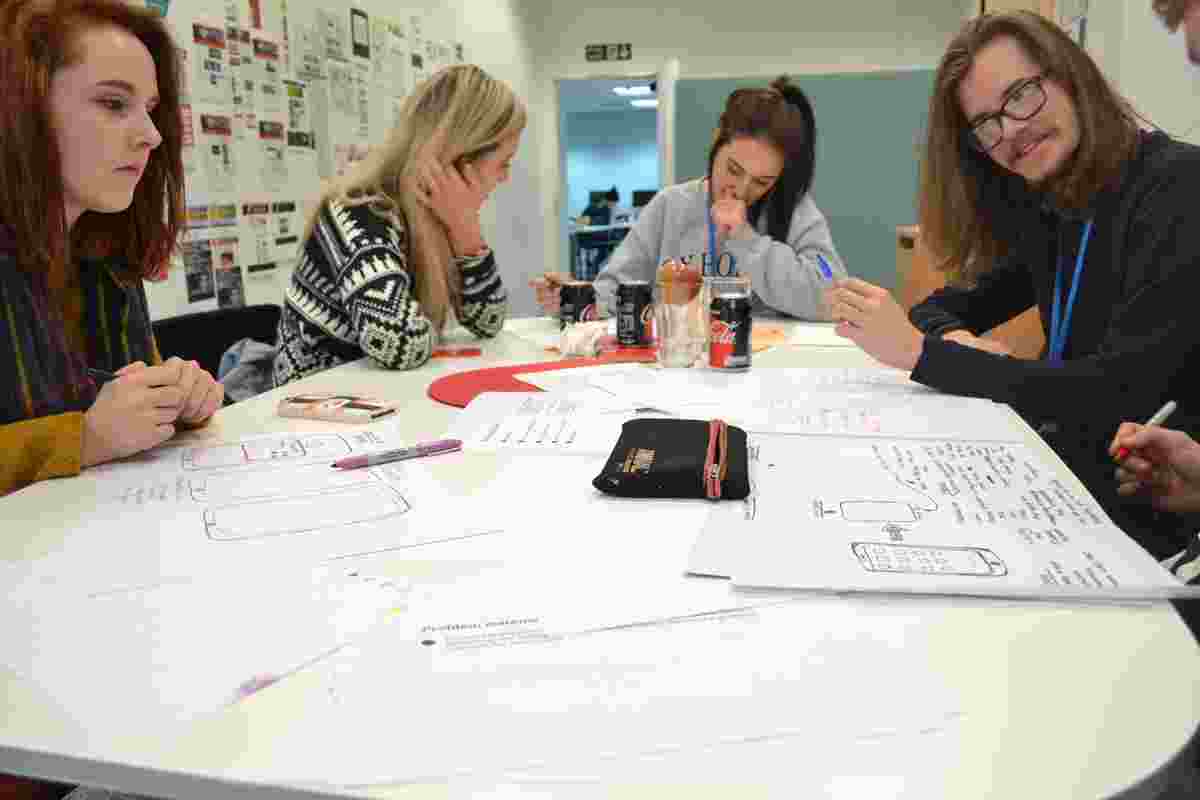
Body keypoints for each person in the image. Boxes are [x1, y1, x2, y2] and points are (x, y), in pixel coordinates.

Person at [825, 10, 1200, 561]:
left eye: (1022, 95)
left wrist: (922, 354)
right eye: (987, 123)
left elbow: (1115, 393)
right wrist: (957, 341)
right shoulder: (1061, 210)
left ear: (1069, 75)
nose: (1011, 131)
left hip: (1144, 537)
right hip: (1063, 498)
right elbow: (939, 308)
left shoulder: (1176, 189)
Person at [0, 0, 222, 500]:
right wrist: (85, 440)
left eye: (149, 109)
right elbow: (93, 431)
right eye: (113, 104)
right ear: (22, 107)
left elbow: (127, 396)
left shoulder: (104, 255)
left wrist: (177, 395)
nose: (151, 135)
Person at [273, 64, 522, 385]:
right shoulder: (359, 211)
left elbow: (488, 321)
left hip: (383, 397)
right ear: (461, 159)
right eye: (504, 163)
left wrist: (465, 230)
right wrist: (463, 221)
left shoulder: (438, 214)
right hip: (318, 409)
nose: (505, 177)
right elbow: (401, 345)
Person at [532, 76, 847, 320]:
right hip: (678, 363)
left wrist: (745, 238)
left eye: (762, 182)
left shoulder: (796, 211)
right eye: (733, 169)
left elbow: (833, 292)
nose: (742, 189)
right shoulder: (670, 206)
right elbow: (617, 292)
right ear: (715, 140)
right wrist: (575, 297)